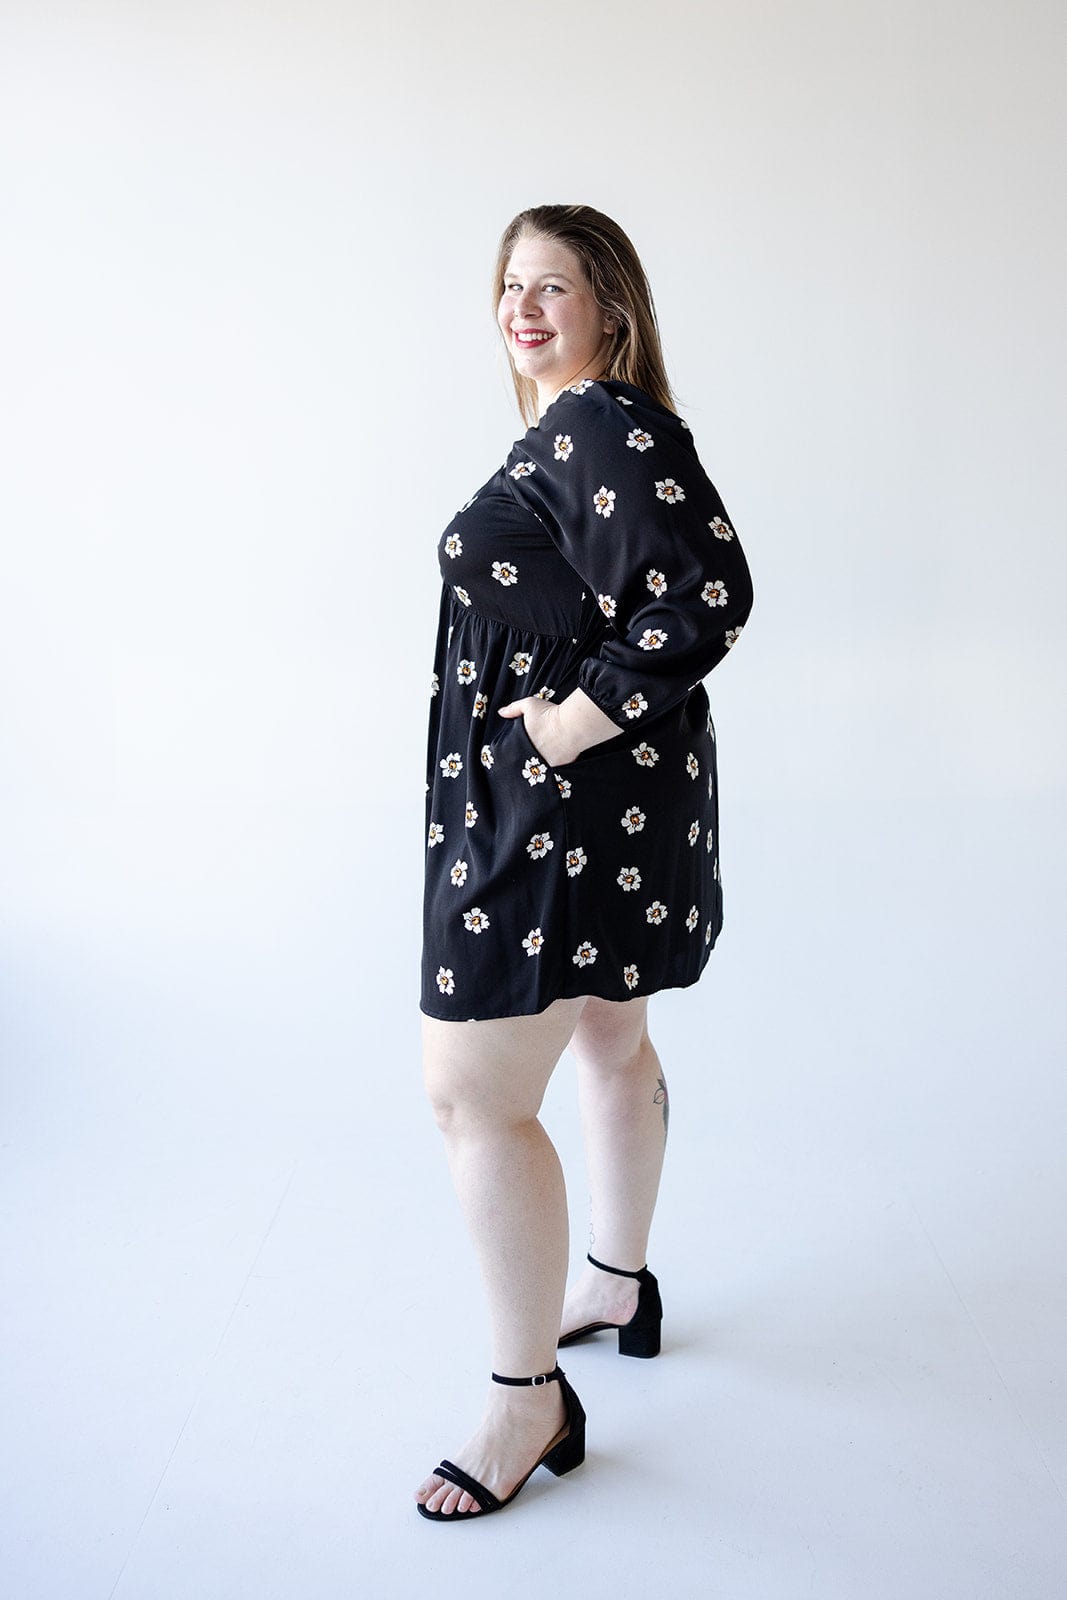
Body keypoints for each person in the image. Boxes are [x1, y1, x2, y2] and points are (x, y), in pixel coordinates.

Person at [414, 204, 754, 1521]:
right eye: (510, 284)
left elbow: (706, 594)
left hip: (563, 815)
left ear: (613, 306)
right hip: (604, 810)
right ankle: (618, 1280)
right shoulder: (570, 431)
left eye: (555, 285)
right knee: (611, 1041)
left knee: (471, 1095)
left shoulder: (599, 422)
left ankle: (525, 1394)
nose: (526, 305)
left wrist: (562, 722)